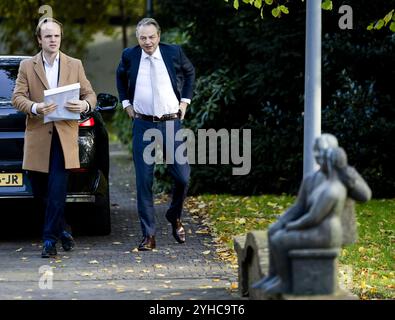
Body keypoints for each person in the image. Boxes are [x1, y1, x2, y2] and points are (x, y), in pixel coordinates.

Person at [12, 18, 96, 258]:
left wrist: (84, 104)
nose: (53, 40)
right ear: (39, 39)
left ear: (61, 37)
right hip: (38, 137)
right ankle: (64, 232)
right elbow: (18, 97)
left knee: (58, 189)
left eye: (56, 36)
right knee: (41, 192)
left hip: (64, 137)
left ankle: (49, 240)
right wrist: (36, 107)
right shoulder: (28, 66)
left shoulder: (74, 64)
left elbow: (90, 94)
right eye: (48, 36)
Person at [253, 134, 371, 294]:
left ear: (331, 153)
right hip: (312, 224)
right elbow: (298, 207)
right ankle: (275, 276)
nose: (317, 155)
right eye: (315, 151)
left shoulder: (342, 177)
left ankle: (285, 282)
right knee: (274, 230)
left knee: (282, 238)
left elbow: (365, 196)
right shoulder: (311, 179)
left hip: (324, 229)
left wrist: (346, 175)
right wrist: (282, 221)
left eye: (320, 151)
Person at [116, 18, 195, 251]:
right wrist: (125, 103)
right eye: (143, 38)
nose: (147, 42)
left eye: (151, 37)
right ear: (138, 38)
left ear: (158, 36)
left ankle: (174, 215)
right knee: (144, 181)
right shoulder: (130, 55)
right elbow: (120, 77)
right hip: (143, 123)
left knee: (182, 177)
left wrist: (185, 102)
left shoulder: (174, 53)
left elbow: (190, 73)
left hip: (171, 122)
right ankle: (149, 235)